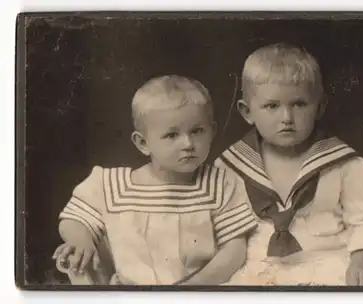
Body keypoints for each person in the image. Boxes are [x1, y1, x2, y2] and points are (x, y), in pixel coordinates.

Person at [52, 75, 258, 285]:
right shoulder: (112, 186)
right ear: (143, 143)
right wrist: (81, 239)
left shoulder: (220, 183)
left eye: (197, 131)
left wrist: (191, 289)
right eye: (171, 135)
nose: (188, 143)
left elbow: (234, 250)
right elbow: (75, 218)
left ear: (212, 131)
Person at [214, 43, 363, 286]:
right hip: (256, 271)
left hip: (324, 268)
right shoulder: (229, 166)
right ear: (247, 112)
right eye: (272, 106)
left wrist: (362, 260)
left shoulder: (345, 165)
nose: (286, 118)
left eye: (298, 104)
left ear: (319, 107)